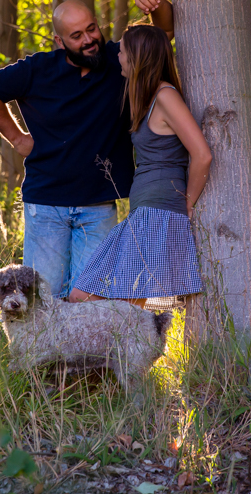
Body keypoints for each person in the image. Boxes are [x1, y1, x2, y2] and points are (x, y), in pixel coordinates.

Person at [0, 0, 175, 299]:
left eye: (91, 28)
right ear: (59, 41)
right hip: (46, 202)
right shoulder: (37, 70)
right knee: (43, 298)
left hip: (98, 206)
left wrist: (157, 6)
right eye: (77, 35)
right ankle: (43, 351)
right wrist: (17, 138)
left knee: (92, 299)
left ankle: (86, 351)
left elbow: (164, 32)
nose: (88, 40)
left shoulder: (118, 60)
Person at [69, 24, 212, 307]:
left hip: (158, 214)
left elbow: (202, 154)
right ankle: (127, 350)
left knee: (121, 306)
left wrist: (188, 203)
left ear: (136, 57)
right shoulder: (146, 97)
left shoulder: (165, 96)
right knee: (90, 297)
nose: (117, 56)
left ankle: (129, 351)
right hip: (143, 213)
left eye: (121, 51)